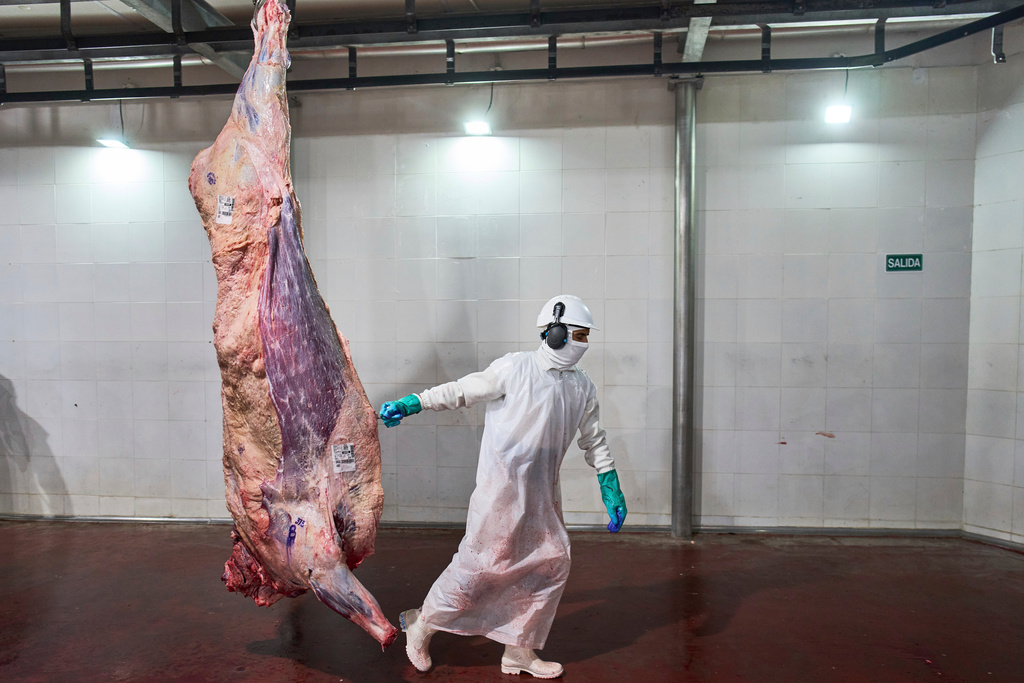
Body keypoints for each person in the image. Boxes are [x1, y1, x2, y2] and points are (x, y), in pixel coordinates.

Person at [379, 294, 627, 679]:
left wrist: (609, 482)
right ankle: (421, 623)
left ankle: (518, 651)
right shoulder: (516, 368)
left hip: (543, 494)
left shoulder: (582, 387)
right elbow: (462, 390)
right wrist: (415, 402)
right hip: (501, 492)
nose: (583, 343)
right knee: (479, 567)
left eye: (586, 335)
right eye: (577, 334)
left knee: (551, 564)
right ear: (555, 332)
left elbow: (594, 439)